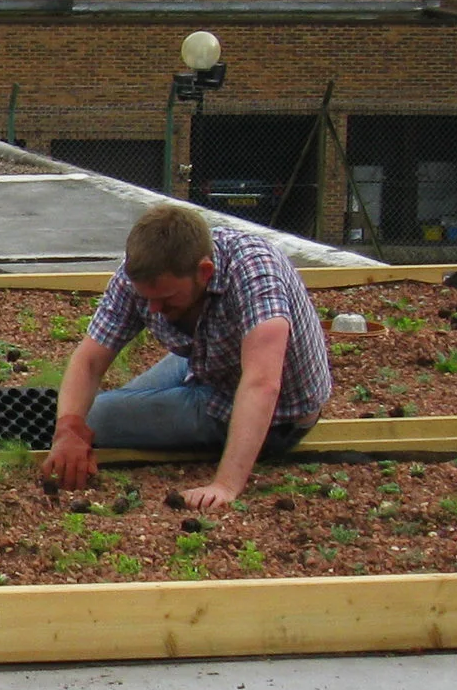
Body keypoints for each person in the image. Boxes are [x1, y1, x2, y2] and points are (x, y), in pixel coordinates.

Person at [41, 203, 331, 510]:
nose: (153, 310)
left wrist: (225, 485)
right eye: (146, 299)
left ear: (204, 271)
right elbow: (89, 360)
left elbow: (262, 383)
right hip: (208, 364)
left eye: (165, 299)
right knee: (83, 419)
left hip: (276, 416)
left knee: (99, 417)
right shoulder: (143, 271)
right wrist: (69, 430)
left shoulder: (255, 272)